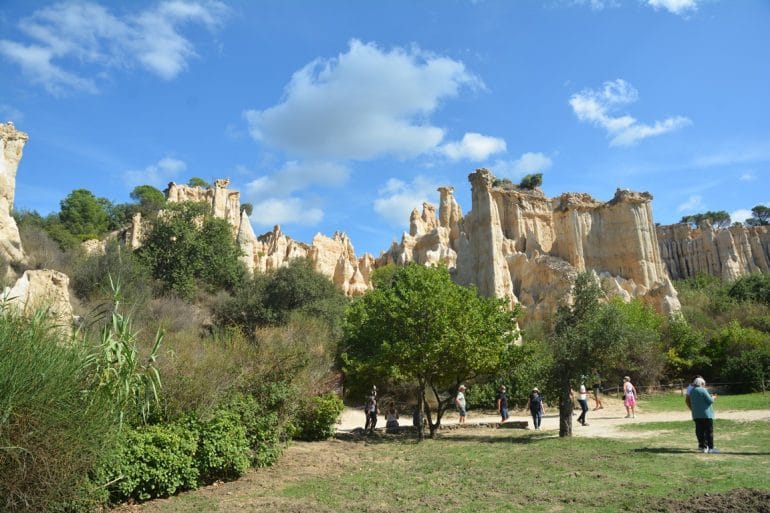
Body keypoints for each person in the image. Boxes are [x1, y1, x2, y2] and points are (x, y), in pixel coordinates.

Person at [689, 377, 718, 453]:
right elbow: (710, 401)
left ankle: (702, 446)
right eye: (704, 384)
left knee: (700, 431)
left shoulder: (692, 391)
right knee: (709, 431)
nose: (704, 385)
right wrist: (713, 397)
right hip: (706, 414)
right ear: (701, 383)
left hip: (696, 414)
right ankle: (711, 447)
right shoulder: (703, 390)